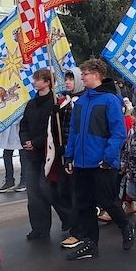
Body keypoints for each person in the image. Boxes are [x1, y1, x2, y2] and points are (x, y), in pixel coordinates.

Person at [63, 59, 133, 260]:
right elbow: (75, 133)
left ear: (96, 75)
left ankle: (125, 226)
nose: (82, 77)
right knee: (84, 204)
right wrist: (69, 156)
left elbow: (118, 133)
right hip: (82, 163)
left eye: (84, 74)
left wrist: (107, 158)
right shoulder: (82, 102)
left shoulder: (110, 100)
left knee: (107, 201)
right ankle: (91, 243)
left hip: (102, 163)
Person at [19, 69, 67, 241]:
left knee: (46, 188)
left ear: (47, 82)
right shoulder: (31, 104)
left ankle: (67, 216)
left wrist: (37, 142)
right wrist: (25, 141)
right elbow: (24, 125)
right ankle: (39, 228)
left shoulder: (55, 103)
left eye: (38, 80)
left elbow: (55, 129)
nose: (34, 82)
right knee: (33, 192)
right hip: (31, 154)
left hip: (48, 154)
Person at [48, 66, 85, 249]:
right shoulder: (65, 102)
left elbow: (77, 131)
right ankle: (75, 223)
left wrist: (70, 151)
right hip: (64, 154)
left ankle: (78, 231)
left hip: (76, 156)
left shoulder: (81, 102)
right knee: (61, 192)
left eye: (71, 79)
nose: (68, 82)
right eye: (67, 79)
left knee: (74, 194)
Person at [0, 117, 24, 193]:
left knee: (23, 155)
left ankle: (24, 180)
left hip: (21, 128)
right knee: (6, 155)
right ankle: (9, 180)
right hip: (8, 128)